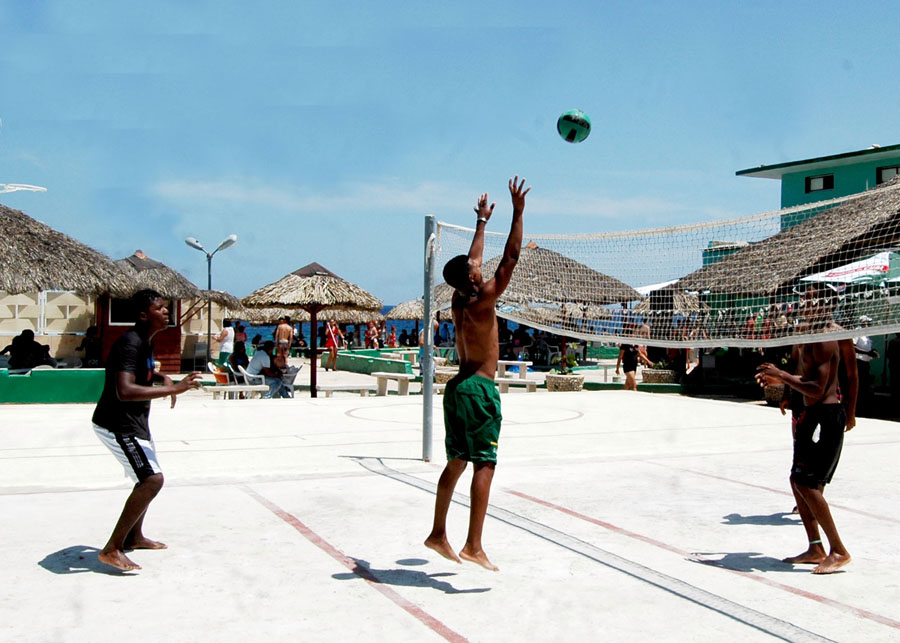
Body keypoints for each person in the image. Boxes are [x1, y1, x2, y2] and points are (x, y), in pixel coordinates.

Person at [425, 175, 529, 572]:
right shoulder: (485, 297)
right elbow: (510, 257)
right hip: (480, 390)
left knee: (456, 462)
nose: (476, 266)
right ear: (471, 278)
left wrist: (482, 222)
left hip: (455, 388)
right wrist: (518, 212)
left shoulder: (458, 296)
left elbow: (474, 261)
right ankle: (473, 545)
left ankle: (438, 533)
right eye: (473, 269)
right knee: (485, 464)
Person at [91, 289, 202, 571]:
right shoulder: (130, 343)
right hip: (118, 424)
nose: (166, 311)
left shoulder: (146, 341)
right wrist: (174, 388)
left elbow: (145, 374)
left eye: (167, 307)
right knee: (152, 480)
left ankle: (134, 536)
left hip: (136, 424)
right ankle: (112, 549)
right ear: (143, 315)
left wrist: (163, 378)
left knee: (146, 478)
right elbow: (124, 390)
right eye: (160, 308)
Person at [756, 293, 855, 574]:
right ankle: (815, 547)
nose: (806, 305)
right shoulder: (803, 334)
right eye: (805, 301)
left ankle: (839, 550)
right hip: (809, 414)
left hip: (828, 415)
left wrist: (851, 412)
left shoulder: (827, 338)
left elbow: (820, 388)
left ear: (825, 305)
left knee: (810, 483)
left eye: (814, 300)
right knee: (797, 479)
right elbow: (798, 372)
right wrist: (784, 387)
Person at [615, 324, 652, 391]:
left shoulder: (636, 344)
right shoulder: (625, 344)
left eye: (635, 334)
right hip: (627, 366)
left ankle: (621, 397)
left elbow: (640, 354)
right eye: (634, 334)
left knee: (627, 385)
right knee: (634, 386)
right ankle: (636, 399)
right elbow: (620, 357)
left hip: (634, 365)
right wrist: (617, 368)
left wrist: (648, 361)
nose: (635, 335)